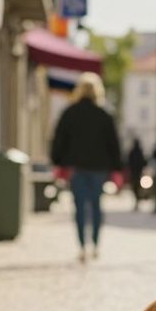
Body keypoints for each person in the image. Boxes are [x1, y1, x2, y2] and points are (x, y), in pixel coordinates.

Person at [51, 73, 122, 262]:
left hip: (76, 167)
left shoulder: (70, 113)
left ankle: (83, 247)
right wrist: (116, 167)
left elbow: (59, 139)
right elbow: (113, 143)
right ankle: (96, 245)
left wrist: (58, 161)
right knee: (97, 206)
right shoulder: (104, 114)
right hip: (99, 168)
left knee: (80, 207)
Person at [126, 136, 148, 211]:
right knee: (136, 188)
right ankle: (137, 200)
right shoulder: (137, 152)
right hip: (136, 173)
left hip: (136, 173)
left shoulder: (134, 152)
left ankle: (137, 201)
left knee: (136, 188)